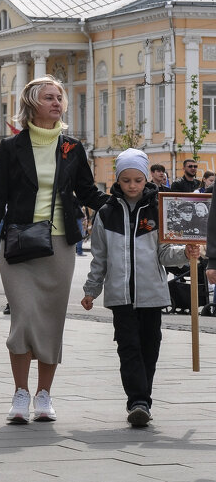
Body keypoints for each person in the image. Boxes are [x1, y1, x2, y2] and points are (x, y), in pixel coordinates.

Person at [0, 75, 109, 424]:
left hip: (60, 247)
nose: (56, 103)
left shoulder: (72, 148)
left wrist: (123, 202)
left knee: (51, 321)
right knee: (23, 318)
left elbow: (87, 192)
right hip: (19, 245)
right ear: (32, 104)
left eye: (59, 97)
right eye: (49, 97)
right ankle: (20, 393)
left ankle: (44, 395)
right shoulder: (11, 147)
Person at [81, 148, 200, 427]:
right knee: (128, 348)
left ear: (146, 178)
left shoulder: (157, 209)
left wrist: (186, 253)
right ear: (117, 180)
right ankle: (138, 401)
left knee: (149, 347)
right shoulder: (106, 213)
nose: (132, 186)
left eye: (137, 180)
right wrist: (91, 290)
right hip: (119, 296)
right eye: (126, 180)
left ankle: (142, 399)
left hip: (152, 295)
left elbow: (165, 254)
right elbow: (100, 258)